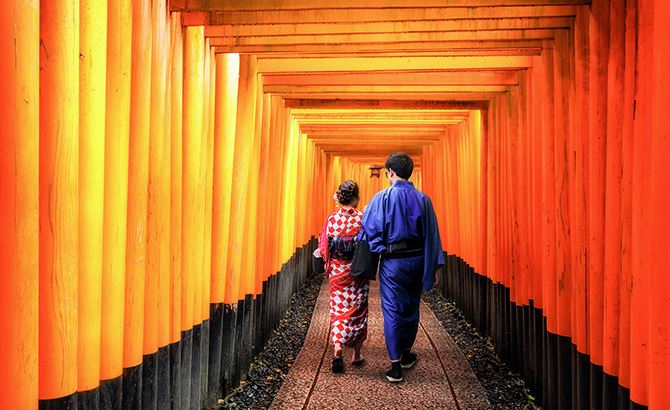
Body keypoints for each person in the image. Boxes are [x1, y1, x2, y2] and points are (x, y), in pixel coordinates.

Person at [360, 152, 445, 383]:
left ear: (391, 172)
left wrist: (380, 248)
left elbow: (370, 228)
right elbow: (433, 235)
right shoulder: (423, 199)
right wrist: (435, 268)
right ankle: (407, 353)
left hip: (393, 262)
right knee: (411, 307)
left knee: (392, 310)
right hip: (418, 261)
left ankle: (395, 365)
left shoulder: (382, 198)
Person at [317, 180, 369, 373]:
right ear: (356, 198)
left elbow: (324, 246)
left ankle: (337, 349)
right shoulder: (362, 218)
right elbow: (367, 244)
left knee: (338, 310)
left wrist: (329, 262)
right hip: (356, 271)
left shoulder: (331, 219)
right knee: (358, 310)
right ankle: (356, 354)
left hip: (337, 272)